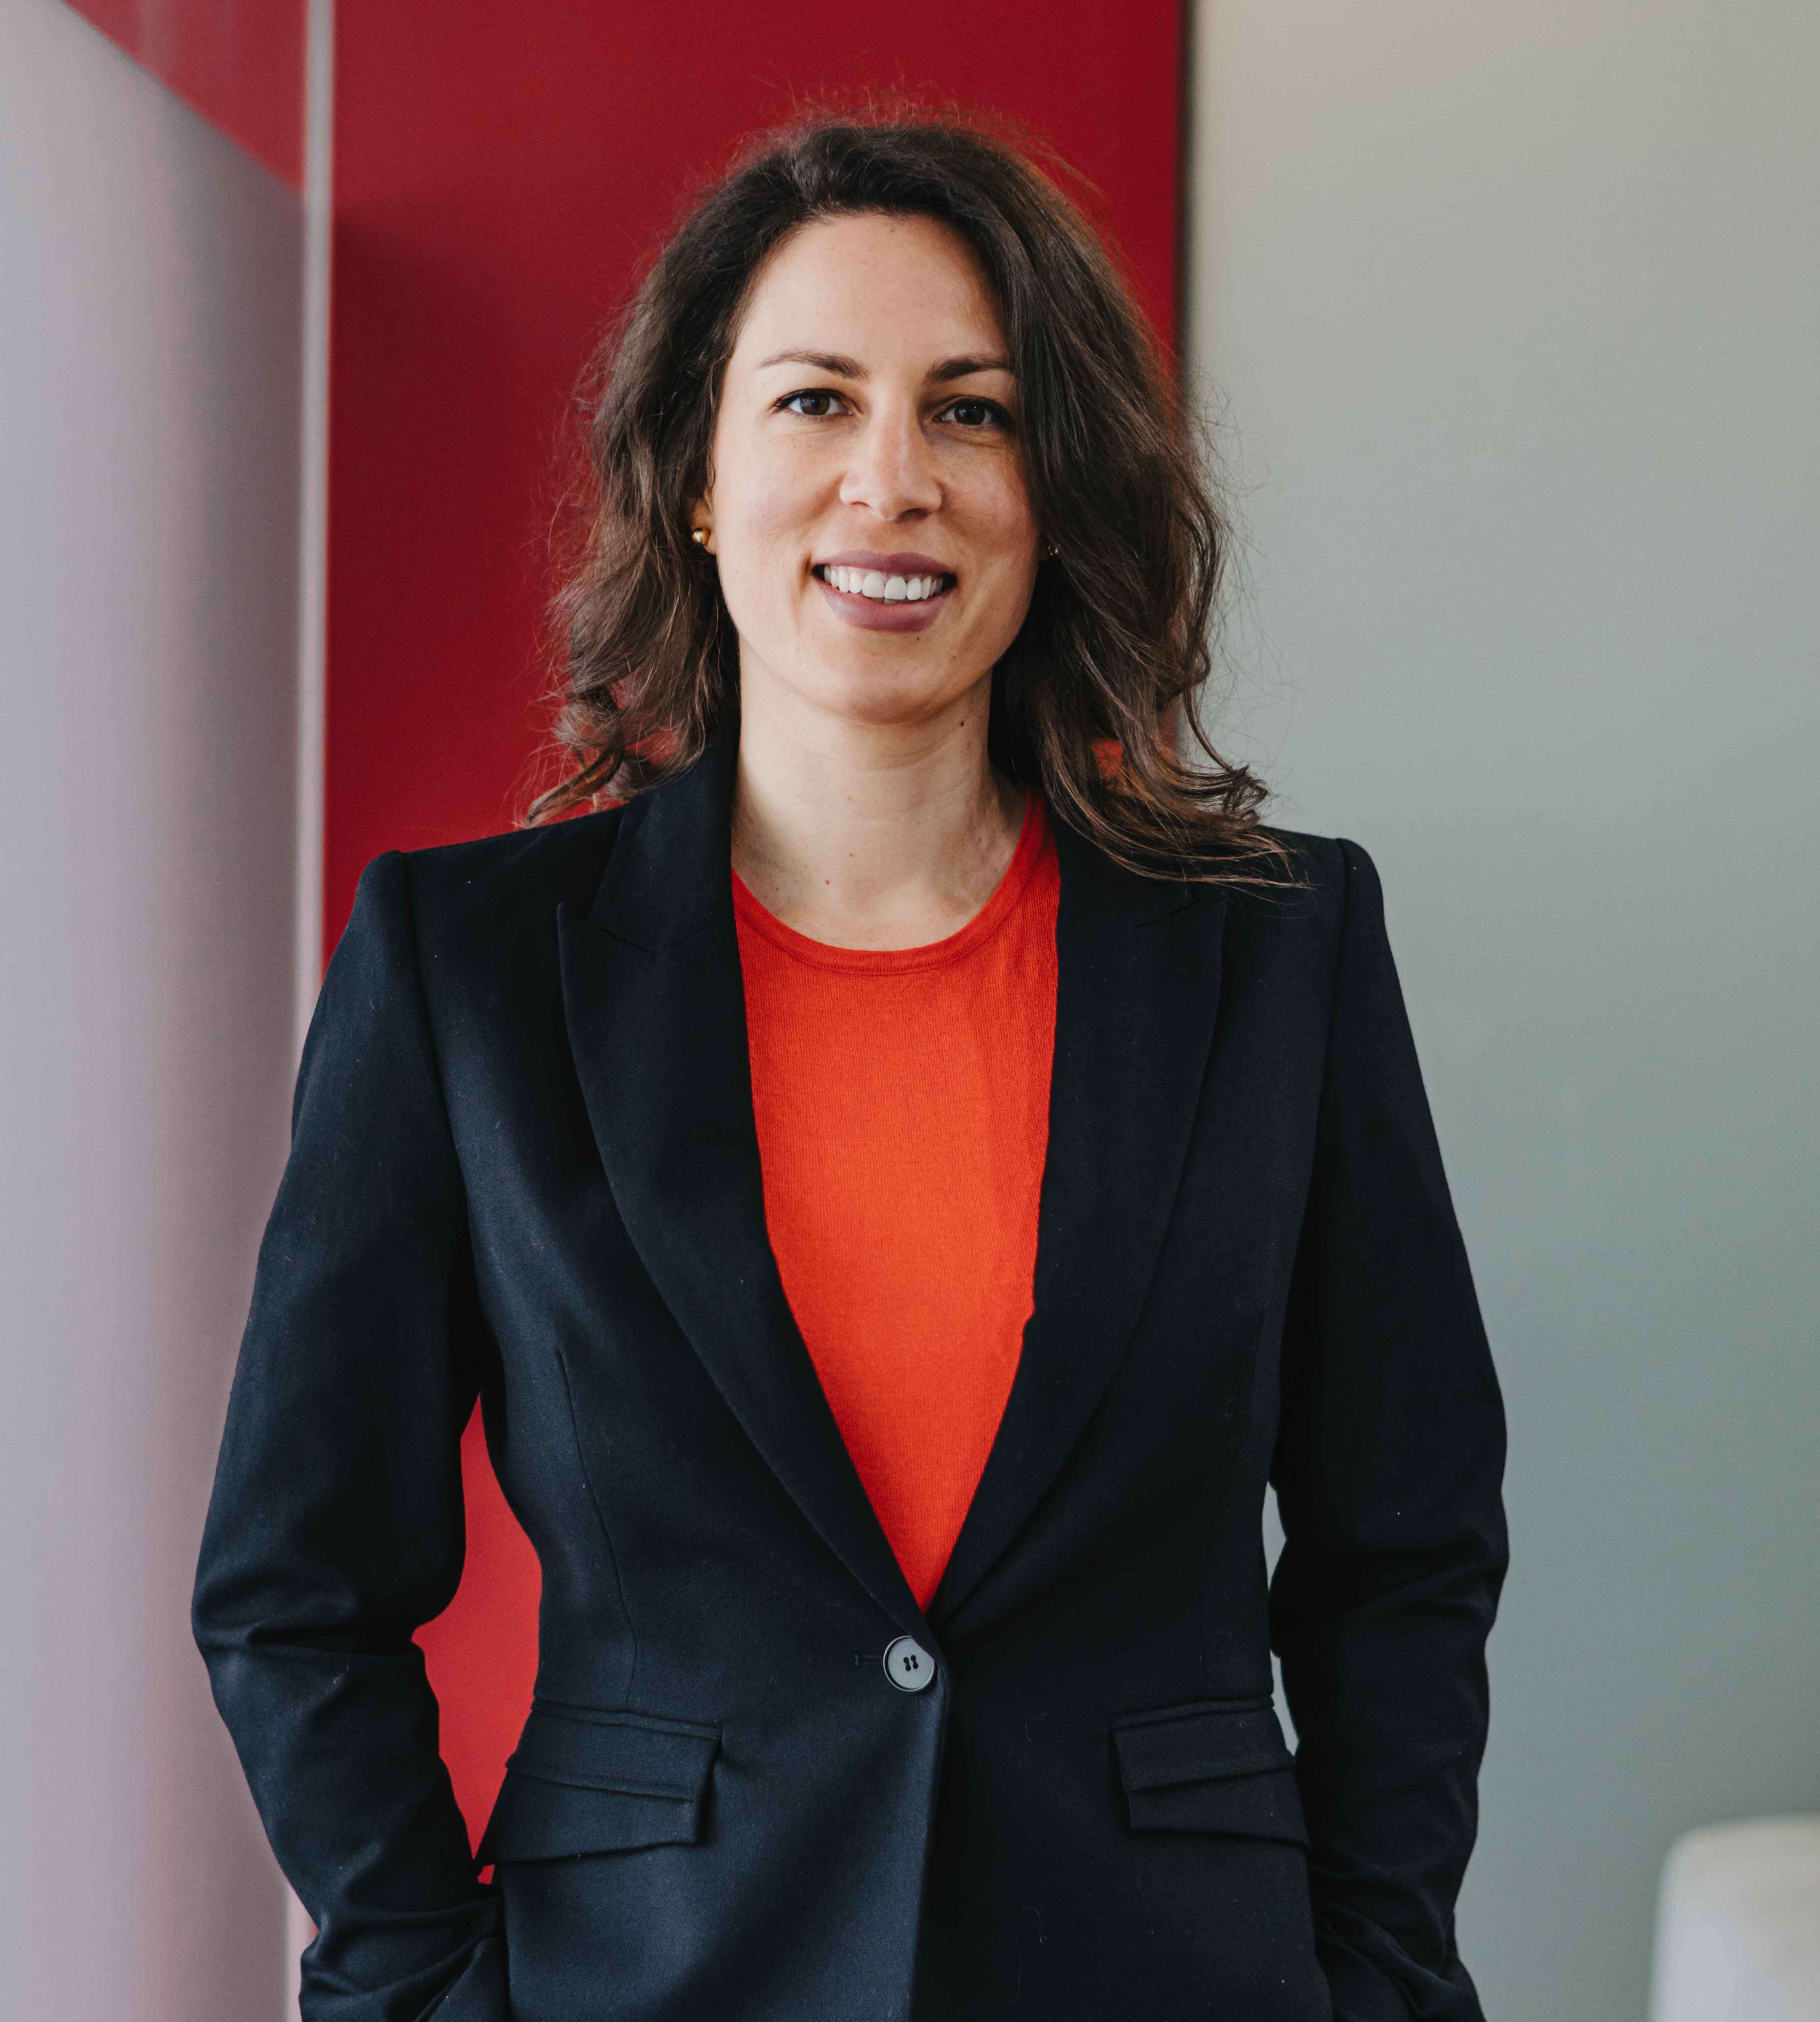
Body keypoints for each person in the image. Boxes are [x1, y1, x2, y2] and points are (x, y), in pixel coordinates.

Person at [193, 113, 1508, 2022]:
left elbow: (1405, 1547)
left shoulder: (1278, 952)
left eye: (973, 413)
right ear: (698, 479)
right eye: (815, 401)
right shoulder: (465, 968)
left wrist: (1375, 1980)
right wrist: (424, 1995)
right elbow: (294, 1585)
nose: (892, 481)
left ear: (1054, 489)